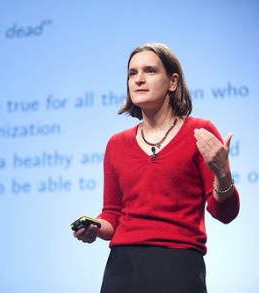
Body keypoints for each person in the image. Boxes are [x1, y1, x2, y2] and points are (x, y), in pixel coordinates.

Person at [73, 43, 240, 293]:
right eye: (132, 73)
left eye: (149, 71)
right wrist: (95, 228)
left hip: (179, 265)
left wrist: (223, 175)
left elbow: (225, 214)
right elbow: (112, 216)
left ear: (173, 82)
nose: (138, 79)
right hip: (122, 268)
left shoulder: (200, 133)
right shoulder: (116, 144)